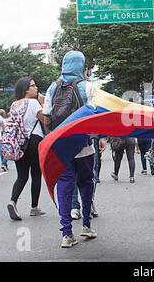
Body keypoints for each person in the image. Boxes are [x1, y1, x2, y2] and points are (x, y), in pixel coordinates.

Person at [43, 50, 104, 248]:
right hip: (84, 146)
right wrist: (98, 138)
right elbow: (94, 117)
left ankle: (66, 234)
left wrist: (52, 138)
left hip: (62, 147)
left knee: (65, 186)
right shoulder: (89, 87)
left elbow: (46, 117)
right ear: (81, 66)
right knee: (86, 183)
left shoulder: (53, 87)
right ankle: (86, 225)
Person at [6, 77, 46, 220]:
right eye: (33, 86)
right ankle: (34, 207)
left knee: (22, 175)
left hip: (19, 143)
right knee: (36, 174)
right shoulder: (33, 102)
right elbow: (44, 119)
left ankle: (13, 201)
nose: (36, 88)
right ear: (26, 89)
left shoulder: (14, 105)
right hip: (34, 140)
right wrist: (43, 104)